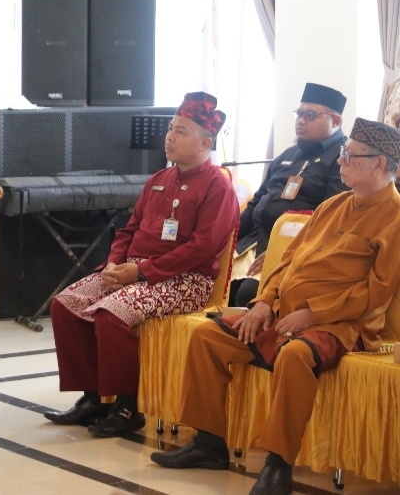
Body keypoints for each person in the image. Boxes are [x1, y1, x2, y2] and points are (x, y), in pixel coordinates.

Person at [150, 118, 400, 495]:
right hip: (282, 314)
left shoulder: (395, 217)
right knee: (206, 337)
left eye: (350, 155)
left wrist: (312, 314)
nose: (340, 161)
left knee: (295, 356)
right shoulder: (332, 205)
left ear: (379, 164)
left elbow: (374, 294)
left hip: (336, 326)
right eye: (343, 153)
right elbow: (286, 261)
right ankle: (209, 444)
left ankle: (278, 466)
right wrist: (264, 302)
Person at [42, 92, 240, 438]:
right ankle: (94, 398)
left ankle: (127, 407)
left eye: (180, 131)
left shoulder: (218, 187)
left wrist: (143, 271)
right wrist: (113, 264)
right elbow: (128, 230)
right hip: (133, 270)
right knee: (65, 305)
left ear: (205, 142)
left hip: (185, 280)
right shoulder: (158, 180)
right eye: (170, 128)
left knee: (110, 313)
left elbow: (202, 248)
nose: (169, 136)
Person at [229, 83, 348, 307]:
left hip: (298, 251)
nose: (300, 121)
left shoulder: (343, 160)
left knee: (248, 293)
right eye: (299, 114)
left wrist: (283, 252)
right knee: (216, 278)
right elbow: (256, 204)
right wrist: (228, 238)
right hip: (254, 242)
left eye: (310, 115)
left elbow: (331, 219)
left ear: (335, 121)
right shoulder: (288, 154)